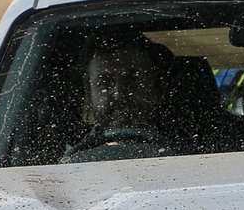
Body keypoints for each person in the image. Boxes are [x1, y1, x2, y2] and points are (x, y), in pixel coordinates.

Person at [62, 34, 180, 163]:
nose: (119, 94)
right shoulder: (66, 157)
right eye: (105, 83)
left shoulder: (193, 152)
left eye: (133, 80)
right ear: (89, 96)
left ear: (159, 89)